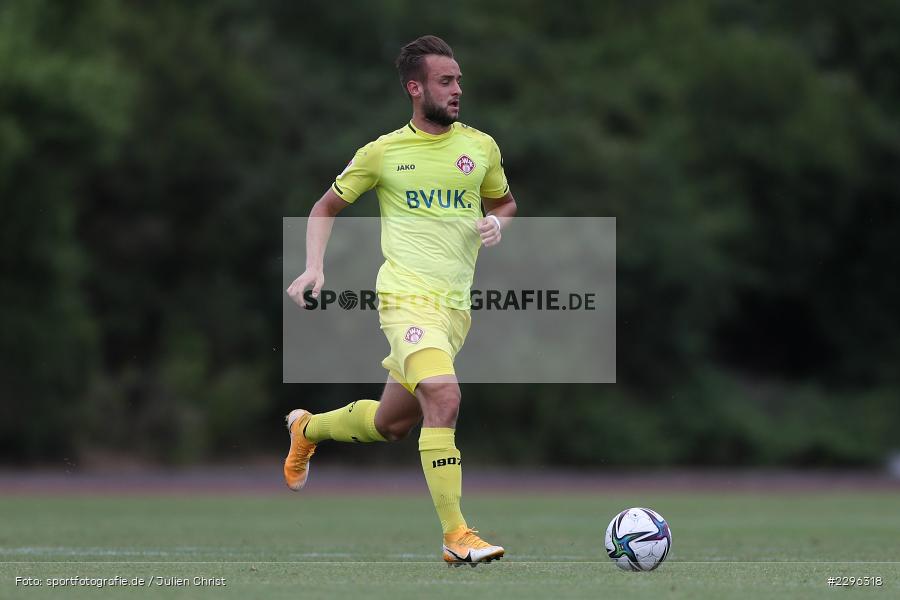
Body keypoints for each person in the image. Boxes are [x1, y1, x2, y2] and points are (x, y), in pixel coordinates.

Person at [284, 35, 517, 566]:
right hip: (405, 300)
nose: (458, 89)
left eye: (458, 79)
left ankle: (307, 428)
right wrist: (314, 267)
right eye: (445, 80)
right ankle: (457, 536)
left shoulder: (481, 147)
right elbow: (324, 208)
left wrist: (495, 223)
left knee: (393, 424)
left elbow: (505, 202)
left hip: (456, 310)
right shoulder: (383, 153)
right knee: (446, 397)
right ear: (415, 88)